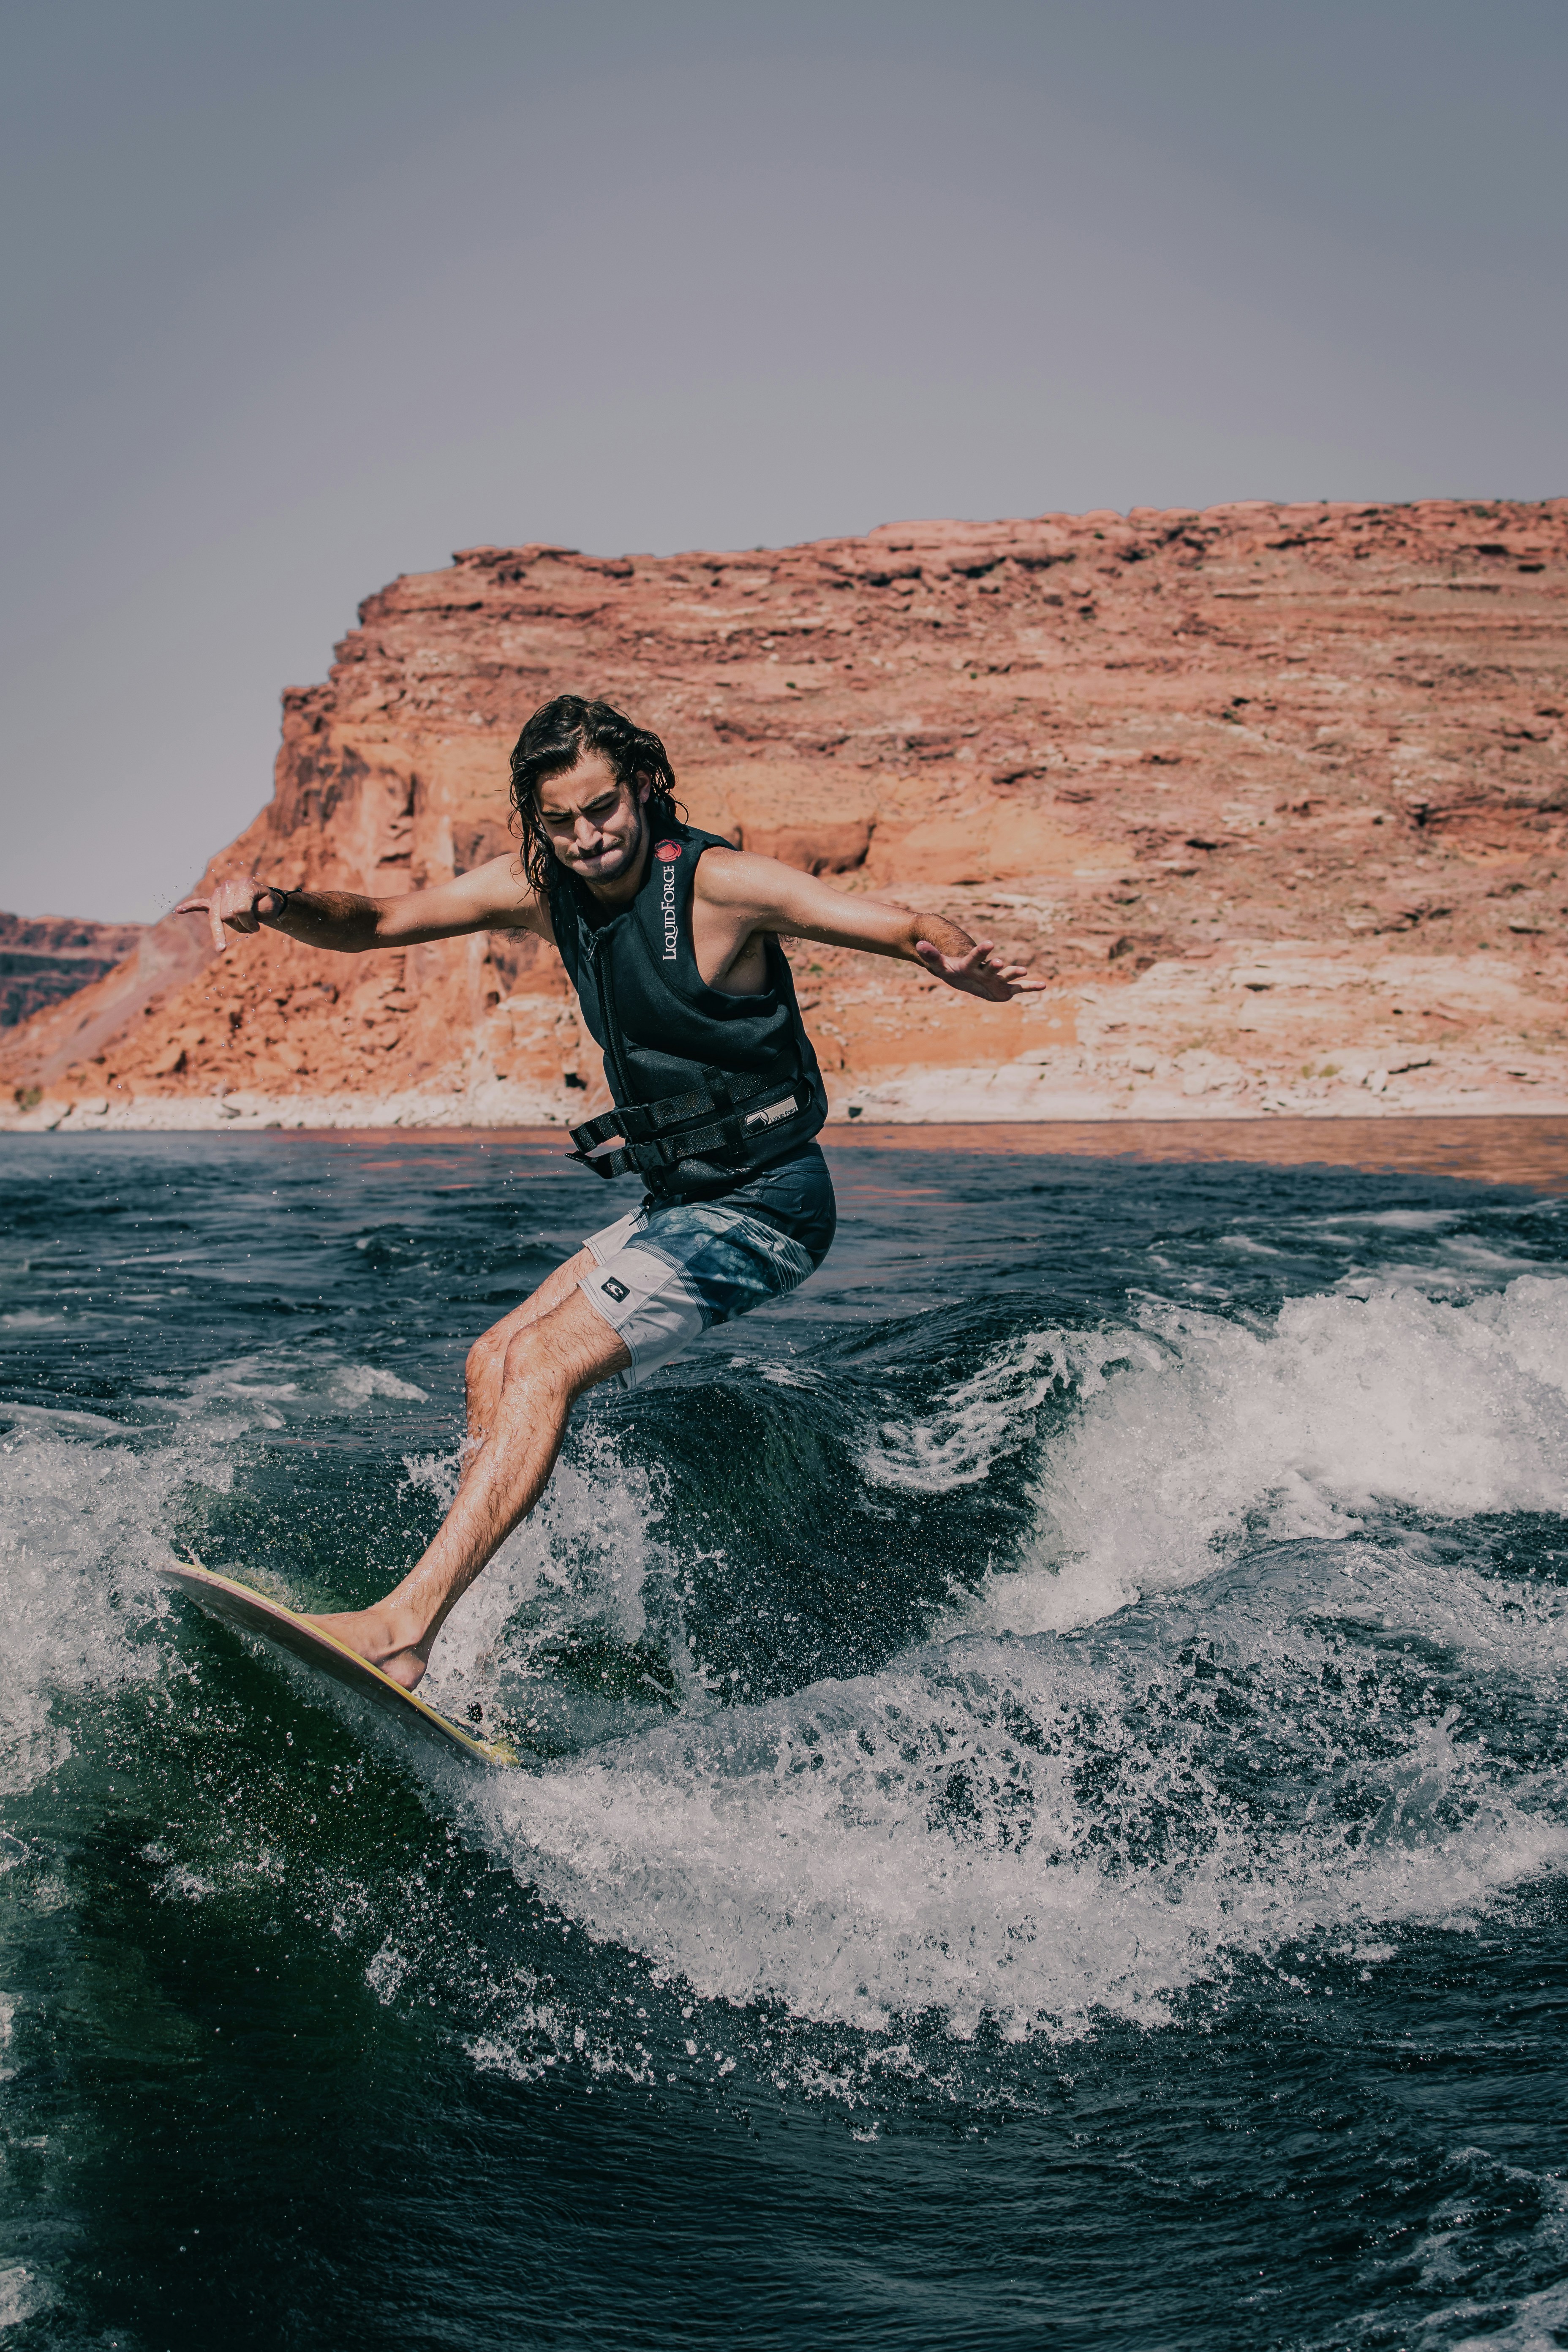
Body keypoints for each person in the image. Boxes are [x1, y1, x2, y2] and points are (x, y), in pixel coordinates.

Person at [177, 696, 1041, 1688]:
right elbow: (377, 921)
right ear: (536, 821)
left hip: (769, 1204)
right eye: (561, 821)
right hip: (677, 1204)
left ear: (641, 787)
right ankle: (471, 1645)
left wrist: (949, 954)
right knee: (491, 1360)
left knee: (542, 1364)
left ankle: (402, 1627)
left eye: (604, 810)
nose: (588, 837)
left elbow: (885, 923)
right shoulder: (540, 891)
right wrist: (279, 906)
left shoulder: (717, 884)